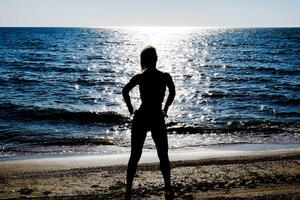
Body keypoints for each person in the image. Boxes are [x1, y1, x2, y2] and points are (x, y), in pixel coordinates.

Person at [122, 46, 175, 199]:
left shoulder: (140, 77)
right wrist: (165, 108)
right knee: (163, 155)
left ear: (143, 60)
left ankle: (128, 190)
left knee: (135, 155)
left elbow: (125, 91)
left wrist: (131, 109)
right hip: (157, 116)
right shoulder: (165, 76)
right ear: (156, 59)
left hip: (142, 116)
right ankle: (167, 187)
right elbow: (172, 91)